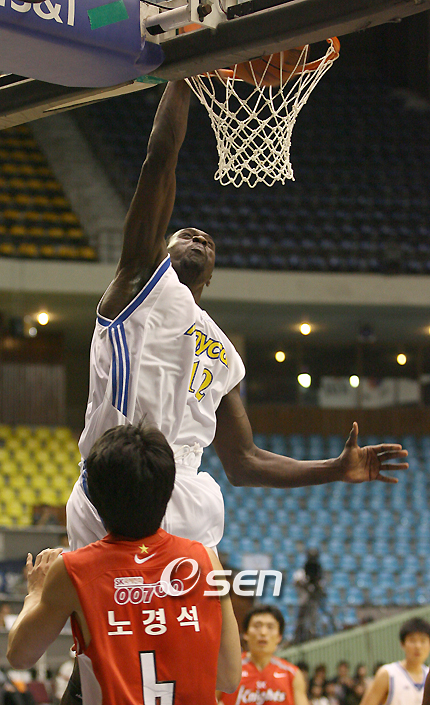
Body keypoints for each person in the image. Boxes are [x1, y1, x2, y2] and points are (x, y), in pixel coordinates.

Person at [66, 79, 408, 556]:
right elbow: (159, 161)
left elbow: (244, 461)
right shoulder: (139, 284)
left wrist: (334, 468)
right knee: (106, 606)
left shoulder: (225, 354)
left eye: (206, 241)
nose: (198, 238)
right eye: (185, 233)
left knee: (201, 605)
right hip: (113, 478)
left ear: (212, 276)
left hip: (183, 486)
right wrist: (185, 74)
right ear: (160, 249)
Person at [7, 423, 242, 704]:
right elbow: (228, 677)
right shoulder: (205, 561)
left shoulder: (74, 571)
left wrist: (35, 593)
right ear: (168, 491)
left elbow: (20, 656)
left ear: (93, 496)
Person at [218, 604, 309, 705]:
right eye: (257, 626)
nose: (263, 633)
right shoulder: (228, 670)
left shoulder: (292, 674)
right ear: (246, 634)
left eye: (270, 627)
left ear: (279, 636)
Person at [360, 617, 430, 705]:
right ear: (402, 644)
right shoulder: (387, 674)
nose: (418, 646)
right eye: (412, 641)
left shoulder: (428, 674)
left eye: (423, 641)